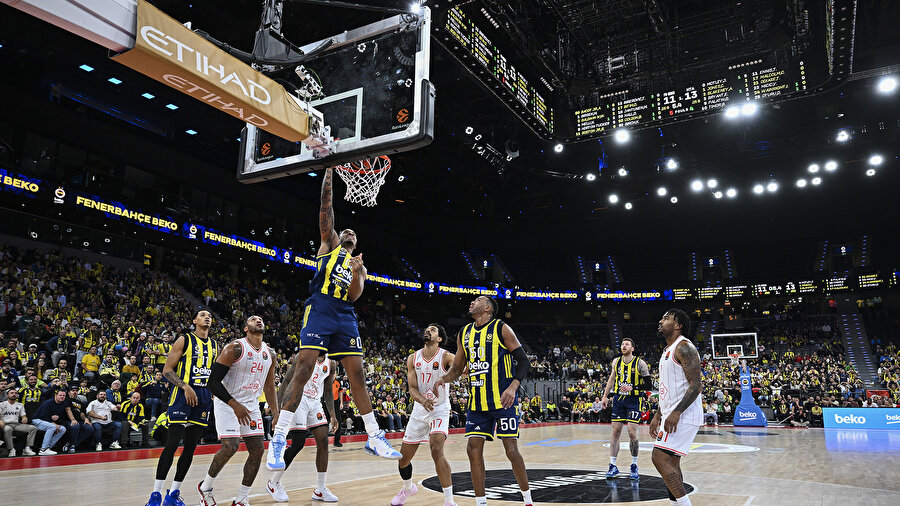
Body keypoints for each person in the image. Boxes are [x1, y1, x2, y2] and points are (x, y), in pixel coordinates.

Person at [267, 167, 400, 471]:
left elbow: (354, 296)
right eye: (346, 230)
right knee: (303, 368)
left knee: (357, 373)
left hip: (344, 312)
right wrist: (329, 171)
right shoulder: (329, 244)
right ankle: (278, 438)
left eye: (354, 233)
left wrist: (355, 272)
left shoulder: (360, 266)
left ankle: (374, 435)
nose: (349, 233)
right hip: (321, 306)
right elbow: (326, 206)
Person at [434, 296, 533, 506]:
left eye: (478, 300)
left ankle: (527, 499)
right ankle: (481, 502)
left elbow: (524, 361)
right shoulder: (465, 332)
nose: (472, 302)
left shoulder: (501, 328)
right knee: (472, 449)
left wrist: (513, 387)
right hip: (477, 404)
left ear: (487, 308)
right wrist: (443, 379)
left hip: (503, 401)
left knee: (511, 450)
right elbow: (458, 368)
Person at [199, 316, 278, 506]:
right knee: (231, 446)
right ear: (245, 328)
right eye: (253, 319)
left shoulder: (271, 353)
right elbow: (213, 382)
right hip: (227, 403)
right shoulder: (234, 348)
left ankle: (242, 498)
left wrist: (275, 412)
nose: (258, 320)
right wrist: (235, 405)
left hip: (251, 405)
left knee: (258, 450)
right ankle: (205, 487)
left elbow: (269, 385)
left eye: (261, 319)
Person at [145, 310, 219, 506]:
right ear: (195, 320)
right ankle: (155, 495)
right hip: (181, 394)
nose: (207, 317)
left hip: (203, 397)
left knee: (190, 448)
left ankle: (173, 494)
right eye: (202, 314)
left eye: (209, 315)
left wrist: (211, 391)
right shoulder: (184, 340)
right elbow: (167, 370)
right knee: (171, 445)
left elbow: (211, 373)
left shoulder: (214, 345)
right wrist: (185, 386)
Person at [390, 324, 457, 506]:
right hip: (420, 410)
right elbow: (412, 388)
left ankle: (449, 500)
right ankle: (408, 488)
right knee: (403, 460)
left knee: (436, 448)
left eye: (433, 330)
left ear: (440, 338)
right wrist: (421, 400)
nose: (428, 331)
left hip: (440, 409)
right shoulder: (413, 358)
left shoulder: (446, 356)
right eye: (427, 329)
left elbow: (460, 369)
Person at [266, 353, 339, 503]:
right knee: (298, 442)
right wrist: (277, 410)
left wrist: (332, 414)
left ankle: (320, 489)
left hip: (315, 402)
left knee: (324, 441)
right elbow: (286, 382)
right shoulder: (303, 355)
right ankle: (273, 483)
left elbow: (327, 390)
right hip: (298, 398)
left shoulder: (331, 363)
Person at [650, 309, 703, 506]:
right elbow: (668, 390)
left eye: (666, 318)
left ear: (678, 325)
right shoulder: (667, 351)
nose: (661, 320)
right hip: (672, 413)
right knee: (671, 462)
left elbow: (696, 386)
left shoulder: (684, 348)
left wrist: (676, 412)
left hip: (684, 414)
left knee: (659, 458)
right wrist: (658, 415)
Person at [601, 338, 651, 480]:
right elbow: (611, 379)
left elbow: (648, 385)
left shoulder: (640, 363)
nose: (624, 346)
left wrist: (633, 387)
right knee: (615, 432)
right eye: (622, 344)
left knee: (632, 433)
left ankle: (634, 465)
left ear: (632, 348)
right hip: (619, 400)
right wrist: (604, 396)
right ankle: (612, 465)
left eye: (627, 344)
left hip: (634, 400)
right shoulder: (616, 362)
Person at [31, 389, 71, 455]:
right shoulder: (48, 403)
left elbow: (58, 416)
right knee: (52, 427)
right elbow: (43, 416)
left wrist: (56, 421)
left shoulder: (63, 403)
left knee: (63, 429)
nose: (62, 397)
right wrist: (54, 423)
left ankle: (48, 447)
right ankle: (43, 449)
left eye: (64, 396)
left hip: (48, 421)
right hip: (37, 420)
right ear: (55, 395)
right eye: (60, 395)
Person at [0, 388, 37, 456]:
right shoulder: (2, 404)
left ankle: (27, 448)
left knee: (33, 428)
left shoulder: (20, 405)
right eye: (12, 393)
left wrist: (24, 418)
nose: (14, 394)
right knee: (8, 429)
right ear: (7, 395)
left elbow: (23, 415)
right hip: (5, 424)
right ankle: (11, 449)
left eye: (15, 393)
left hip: (16, 424)